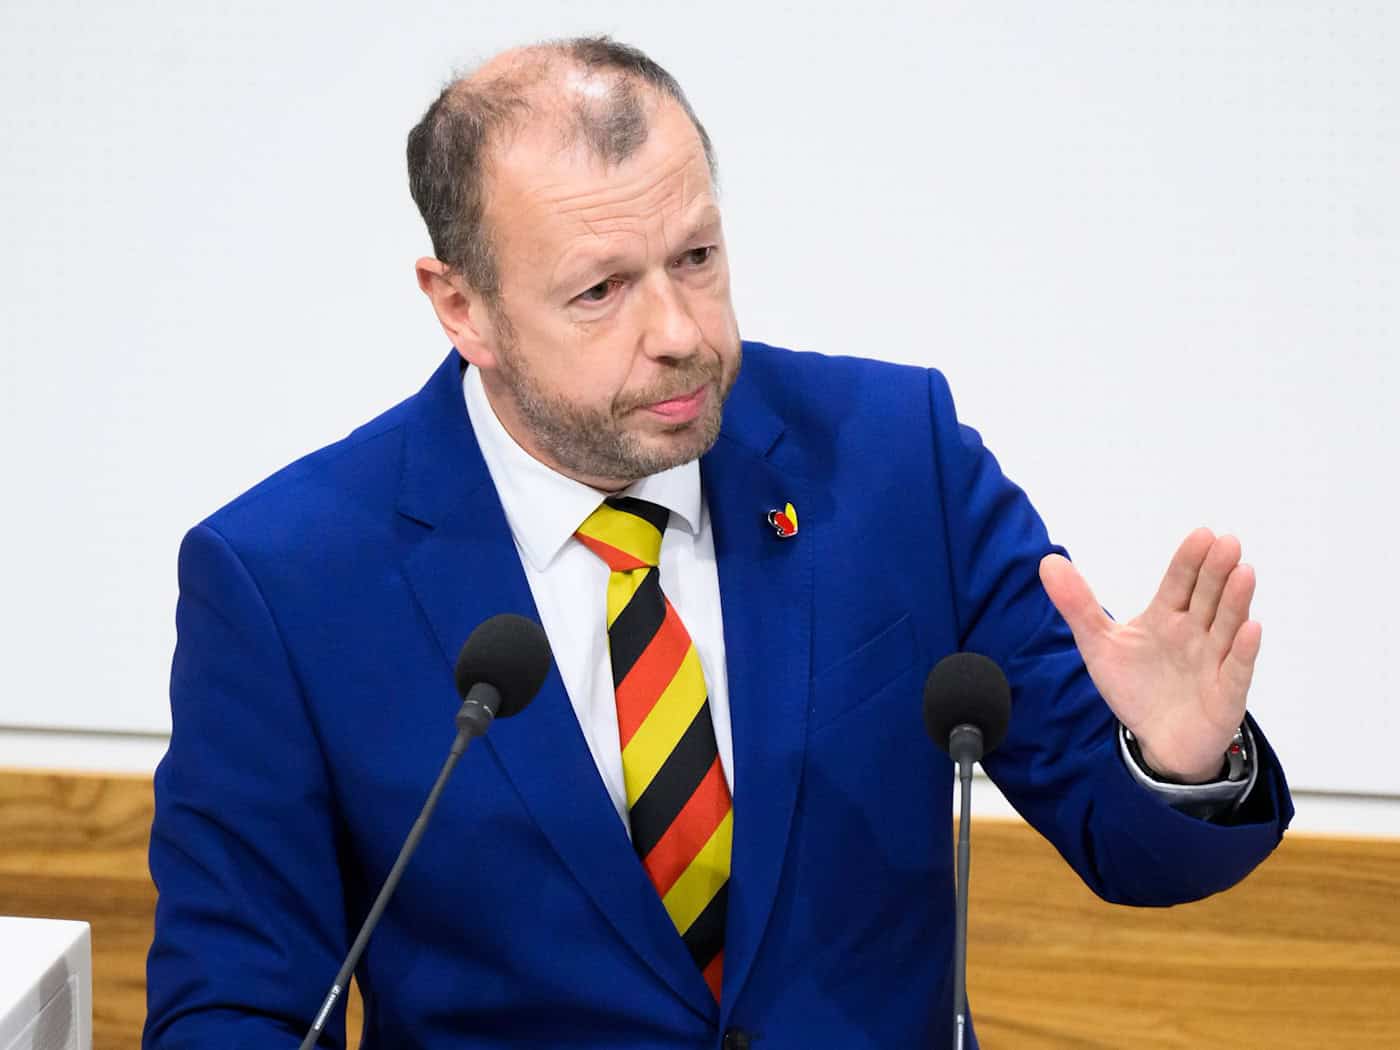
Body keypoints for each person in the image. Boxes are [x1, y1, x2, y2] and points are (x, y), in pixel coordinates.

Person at [143, 36, 1292, 1050]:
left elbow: (1129, 848)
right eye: (600, 291)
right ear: (461, 306)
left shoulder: (895, 461)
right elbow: (234, 1002)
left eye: (694, 258)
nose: (679, 333)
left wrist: (1178, 763)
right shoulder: (287, 582)